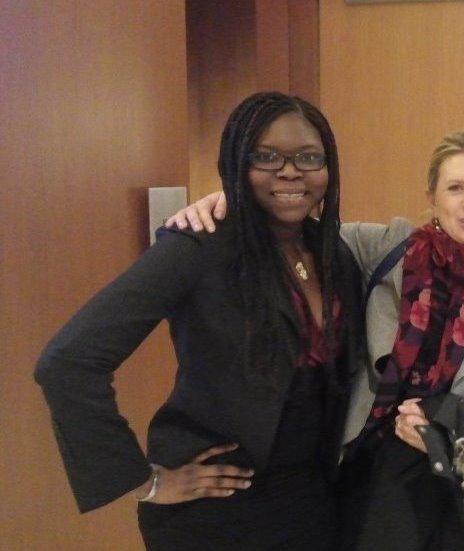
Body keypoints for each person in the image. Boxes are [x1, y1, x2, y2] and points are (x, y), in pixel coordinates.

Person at [34, 92, 364, 549]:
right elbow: (68, 362)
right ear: (236, 163)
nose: (290, 171)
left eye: (309, 157)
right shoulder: (197, 246)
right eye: (266, 157)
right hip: (216, 507)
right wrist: (144, 482)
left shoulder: (333, 253)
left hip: (311, 500)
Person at [335, 129, 464, 550]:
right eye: (455, 187)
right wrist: (226, 202)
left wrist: (445, 417)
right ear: (432, 197)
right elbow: (299, 231)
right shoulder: (388, 248)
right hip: (368, 468)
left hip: (458, 483)